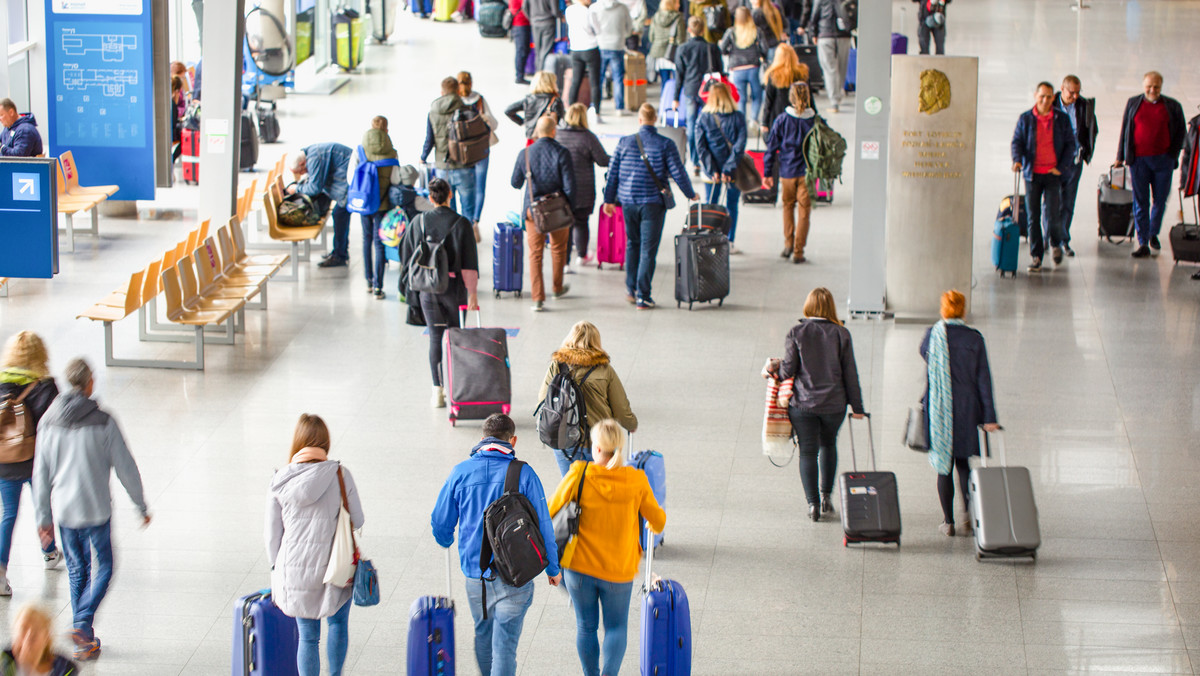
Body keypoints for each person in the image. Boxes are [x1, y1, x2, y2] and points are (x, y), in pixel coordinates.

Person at [32, 358, 150, 662]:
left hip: (66, 512)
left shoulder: (47, 422)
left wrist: (43, 517)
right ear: (89, 383)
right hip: (97, 509)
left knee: (77, 569)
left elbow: (41, 475)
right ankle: (83, 624)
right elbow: (126, 466)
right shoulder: (104, 421)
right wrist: (140, 505)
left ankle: (82, 638)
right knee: (105, 566)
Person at [430, 414, 561, 676]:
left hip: (475, 576)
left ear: (482, 439)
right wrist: (553, 568)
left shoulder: (460, 472)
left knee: (483, 633)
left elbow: (440, 523)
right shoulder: (524, 474)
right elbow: (544, 524)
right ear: (513, 440)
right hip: (517, 575)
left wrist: (447, 540)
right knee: (505, 646)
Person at [547, 419, 664, 676]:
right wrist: (650, 526)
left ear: (596, 448)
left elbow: (549, 511)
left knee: (586, 627)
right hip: (618, 570)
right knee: (616, 628)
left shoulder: (579, 473)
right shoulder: (636, 480)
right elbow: (658, 520)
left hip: (578, 568)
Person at [266, 414, 364, 676]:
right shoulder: (341, 474)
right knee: (337, 624)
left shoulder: (280, 479)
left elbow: (272, 536)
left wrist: (278, 569)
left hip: (296, 569)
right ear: (325, 442)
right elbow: (358, 519)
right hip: (336, 566)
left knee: (308, 637)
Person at [767, 288, 865, 522]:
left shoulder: (797, 332)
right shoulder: (842, 333)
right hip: (834, 405)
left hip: (803, 405)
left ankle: (812, 505)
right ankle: (826, 498)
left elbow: (788, 370)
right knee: (829, 445)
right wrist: (858, 407)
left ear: (808, 307)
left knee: (808, 451)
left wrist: (773, 369)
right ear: (830, 307)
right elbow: (851, 373)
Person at [602, 104, 697, 309]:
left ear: (639, 120)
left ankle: (631, 289)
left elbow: (613, 174)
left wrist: (608, 200)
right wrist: (690, 193)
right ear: (655, 119)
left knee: (632, 243)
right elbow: (678, 172)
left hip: (628, 201)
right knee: (647, 250)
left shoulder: (624, 142)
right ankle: (643, 296)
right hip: (653, 203)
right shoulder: (666, 144)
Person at [920, 290, 999, 537]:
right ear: (963, 310)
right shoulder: (974, 339)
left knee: (943, 466)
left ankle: (948, 522)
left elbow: (925, 355)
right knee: (964, 463)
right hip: (966, 408)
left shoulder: (933, 335)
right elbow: (983, 380)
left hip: (939, 410)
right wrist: (990, 417)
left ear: (943, 309)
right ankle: (968, 514)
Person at [397, 178, 480, 408]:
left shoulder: (418, 222)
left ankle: (437, 392)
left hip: (427, 290)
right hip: (454, 289)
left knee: (435, 336)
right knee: (455, 337)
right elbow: (469, 264)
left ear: (431, 198)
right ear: (450, 195)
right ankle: (457, 388)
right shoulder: (461, 224)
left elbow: (405, 255)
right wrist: (472, 293)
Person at [0, 332, 62, 596]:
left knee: (9, 514)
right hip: (37, 462)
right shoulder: (46, 386)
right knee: (43, 507)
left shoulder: (1, 383)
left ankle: (0, 572)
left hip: (5, 460)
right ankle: (49, 552)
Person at [537, 322, 638, 475]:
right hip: (599, 441)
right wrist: (631, 423)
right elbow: (620, 408)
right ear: (596, 342)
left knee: (572, 487)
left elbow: (543, 399)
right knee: (601, 489)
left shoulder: (557, 366)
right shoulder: (605, 370)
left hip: (565, 440)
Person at [1116, 70, 1187, 259]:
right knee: (1140, 202)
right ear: (1143, 85)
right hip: (1138, 161)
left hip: (1163, 160)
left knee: (1160, 200)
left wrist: (1173, 154)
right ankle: (1143, 242)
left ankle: (1153, 232)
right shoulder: (1133, 103)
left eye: (1156, 86)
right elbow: (1125, 130)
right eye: (1149, 86)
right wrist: (1119, 157)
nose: (1152, 89)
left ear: (1161, 86)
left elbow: (1181, 133)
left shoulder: (1172, 106)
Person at [511, 116, 577, 312]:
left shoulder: (525, 154)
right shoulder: (562, 153)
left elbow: (515, 183)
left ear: (537, 132)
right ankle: (556, 288)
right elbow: (570, 187)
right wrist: (568, 208)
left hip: (533, 211)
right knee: (558, 250)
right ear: (554, 131)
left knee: (535, 254)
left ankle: (537, 298)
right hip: (557, 210)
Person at [1011, 82, 1076, 273]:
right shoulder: (1026, 119)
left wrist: (1061, 167)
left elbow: (1070, 145)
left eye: (1049, 97)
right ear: (1035, 96)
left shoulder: (1061, 119)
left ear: (1053, 98)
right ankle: (1036, 256)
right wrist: (1017, 160)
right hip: (1032, 175)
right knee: (1033, 216)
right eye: (1042, 96)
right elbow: (1017, 141)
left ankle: (1055, 243)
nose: (1045, 100)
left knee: (1053, 214)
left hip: (1052, 175)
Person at [764, 83, 817, 263]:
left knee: (787, 206)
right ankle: (798, 251)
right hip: (807, 173)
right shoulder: (814, 120)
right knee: (804, 212)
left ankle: (788, 244)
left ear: (791, 97)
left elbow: (771, 148)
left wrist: (767, 172)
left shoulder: (782, 120)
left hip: (787, 171)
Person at [349, 117, 401, 298]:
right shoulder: (392, 153)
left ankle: (368, 281)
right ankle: (379, 287)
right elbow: (396, 180)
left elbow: (351, 177)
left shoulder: (360, 150)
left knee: (366, 239)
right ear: (386, 130)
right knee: (379, 244)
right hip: (382, 203)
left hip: (364, 203)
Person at [694, 82, 747, 251]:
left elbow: (701, 147)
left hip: (712, 173)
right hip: (734, 171)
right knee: (732, 204)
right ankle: (729, 241)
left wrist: (713, 170)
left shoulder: (703, 117)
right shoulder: (738, 116)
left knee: (711, 206)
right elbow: (739, 146)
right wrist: (728, 169)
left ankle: (711, 240)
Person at [556, 104, 611, 266]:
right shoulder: (588, 137)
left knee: (565, 225)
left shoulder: (558, 135)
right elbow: (602, 161)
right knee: (581, 222)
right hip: (583, 190)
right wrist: (619, 157)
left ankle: (564, 264)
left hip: (562, 189)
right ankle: (582, 255)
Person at [421, 77, 479, 230]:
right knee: (468, 208)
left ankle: (449, 237)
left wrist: (423, 157)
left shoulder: (433, 111)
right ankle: (466, 237)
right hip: (464, 165)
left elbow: (429, 139)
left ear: (442, 92)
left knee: (446, 209)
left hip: (442, 165)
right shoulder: (467, 109)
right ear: (458, 91)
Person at [1051, 75, 1098, 257]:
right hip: (1054, 163)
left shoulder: (1083, 106)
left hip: (1074, 162)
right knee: (1052, 203)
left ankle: (1063, 240)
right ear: (1062, 88)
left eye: (1078, 92)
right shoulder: (1051, 104)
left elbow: (1093, 128)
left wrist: (1086, 150)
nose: (1075, 96)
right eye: (1072, 92)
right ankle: (1051, 238)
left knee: (1068, 203)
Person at [672, 17, 724, 173]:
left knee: (692, 126)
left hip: (690, 90)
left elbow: (679, 75)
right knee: (712, 125)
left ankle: (695, 161)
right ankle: (711, 158)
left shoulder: (682, 49)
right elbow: (720, 72)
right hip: (709, 92)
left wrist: (675, 98)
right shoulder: (712, 48)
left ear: (689, 30)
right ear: (703, 30)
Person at [289, 143, 354, 268]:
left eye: (300, 172)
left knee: (339, 215)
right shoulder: (312, 153)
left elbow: (315, 187)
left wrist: (296, 188)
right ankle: (339, 251)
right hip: (347, 180)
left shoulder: (314, 158)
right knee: (340, 215)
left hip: (347, 185)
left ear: (302, 164)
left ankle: (340, 255)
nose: (302, 174)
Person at [458, 72, 499, 231]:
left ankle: (464, 219)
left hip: (463, 151)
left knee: (465, 186)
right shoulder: (479, 100)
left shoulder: (455, 102)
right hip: (481, 149)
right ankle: (475, 221)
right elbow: (494, 124)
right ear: (471, 83)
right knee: (480, 187)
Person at [801, 0, 852, 114]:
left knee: (830, 69)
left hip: (825, 35)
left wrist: (813, 34)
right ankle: (839, 93)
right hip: (844, 35)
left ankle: (834, 101)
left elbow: (814, 17)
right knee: (842, 66)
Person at [720, 7, 766, 128]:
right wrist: (762, 57)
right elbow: (764, 48)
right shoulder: (756, 31)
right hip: (753, 67)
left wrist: (729, 53)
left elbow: (722, 49)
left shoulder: (731, 31)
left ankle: (741, 122)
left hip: (737, 68)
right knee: (757, 95)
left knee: (741, 98)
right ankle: (754, 119)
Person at [1, 603, 78, 676]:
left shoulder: (64, 669)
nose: (28, 636)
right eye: (23, 628)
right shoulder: (3, 664)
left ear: (46, 637)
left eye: (36, 630)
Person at [592, 0, 634, 115]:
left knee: (598, 78)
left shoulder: (595, 7)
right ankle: (619, 108)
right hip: (617, 45)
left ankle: (596, 107)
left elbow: (592, 26)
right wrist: (622, 36)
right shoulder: (623, 8)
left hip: (600, 45)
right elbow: (629, 27)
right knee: (618, 78)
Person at [566, 0, 604, 120]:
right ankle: (597, 113)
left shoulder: (569, 10)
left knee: (575, 81)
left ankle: (570, 111)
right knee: (594, 82)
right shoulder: (589, 11)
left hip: (575, 49)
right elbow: (597, 30)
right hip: (590, 48)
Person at [505, 72, 568, 141]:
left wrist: (523, 122)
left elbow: (508, 110)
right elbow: (563, 120)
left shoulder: (528, 100)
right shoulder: (555, 101)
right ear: (551, 83)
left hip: (532, 137)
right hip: (549, 139)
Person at [761, 43, 808, 133]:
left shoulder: (774, 75)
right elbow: (808, 98)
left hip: (777, 118)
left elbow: (768, 101)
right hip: (799, 118)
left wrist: (764, 122)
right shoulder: (802, 74)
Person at [647, 0, 687, 87]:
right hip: (673, 54)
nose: (679, 5)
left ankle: (664, 99)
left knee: (664, 82)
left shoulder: (655, 17)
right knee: (678, 82)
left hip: (658, 53)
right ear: (672, 4)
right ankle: (676, 99)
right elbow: (680, 40)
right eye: (677, 3)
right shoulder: (678, 17)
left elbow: (651, 37)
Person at [527, 0, 561, 72]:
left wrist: (531, 18)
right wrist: (561, 16)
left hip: (535, 23)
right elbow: (555, 11)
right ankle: (541, 74)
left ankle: (538, 74)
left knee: (538, 51)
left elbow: (525, 7)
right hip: (548, 22)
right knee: (545, 51)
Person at [510, 0, 533, 84]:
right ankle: (519, 76)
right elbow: (525, 7)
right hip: (521, 24)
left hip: (518, 24)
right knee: (522, 51)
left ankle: (520, 74)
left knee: (522, 50)